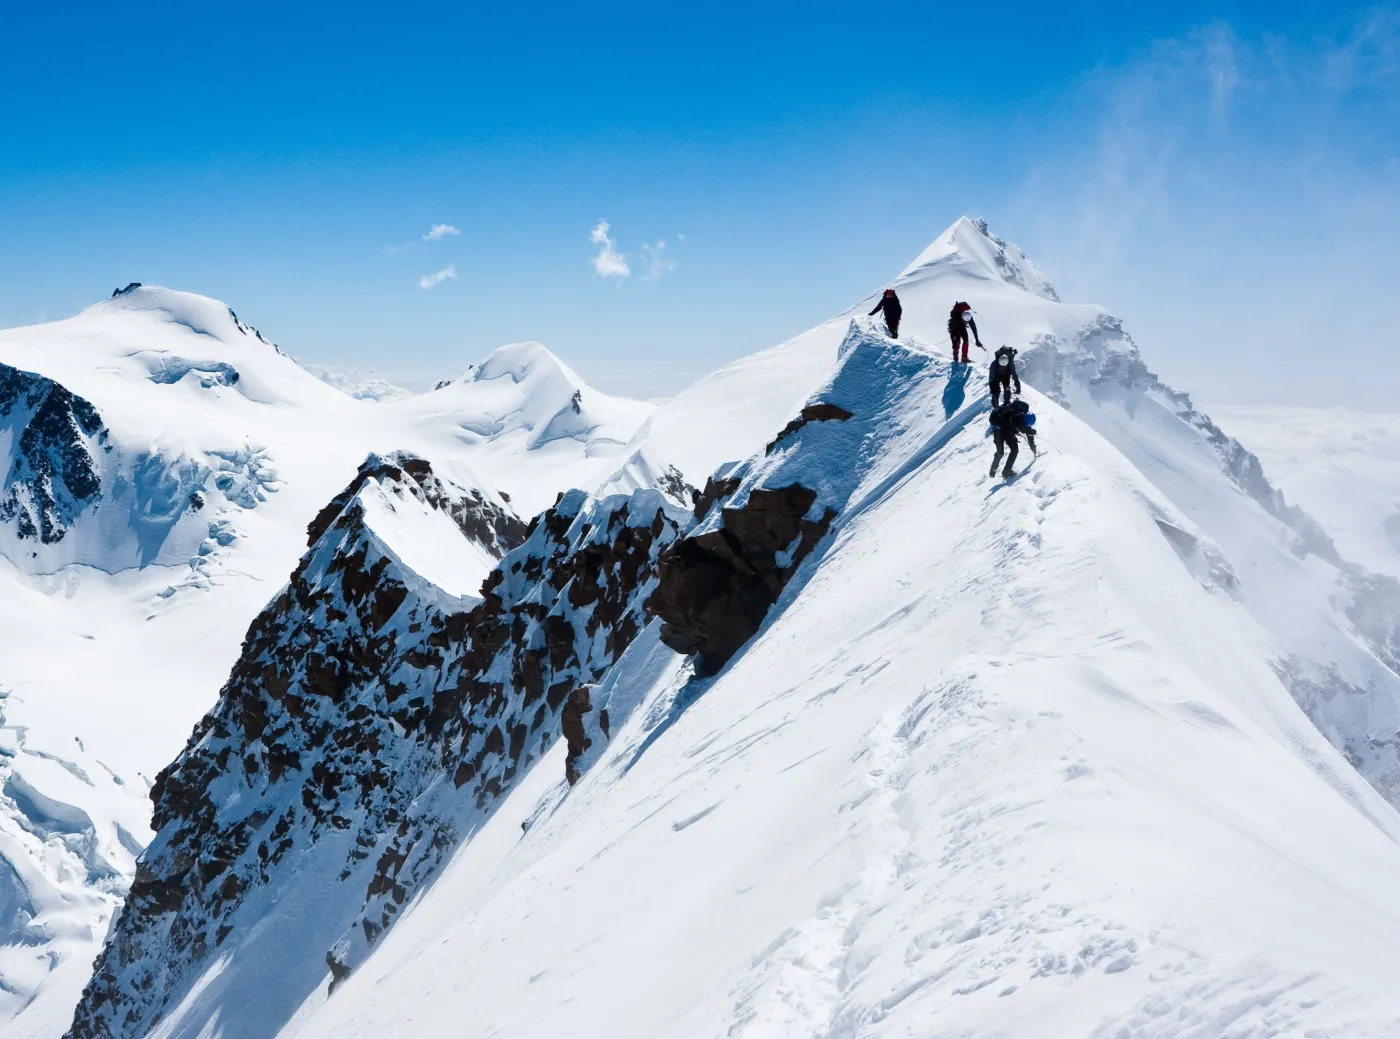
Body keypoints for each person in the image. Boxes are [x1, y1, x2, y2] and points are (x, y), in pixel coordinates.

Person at [988, 399, 1037, 478]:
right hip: (1005, 432)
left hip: (998, 432)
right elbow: (1025, 430)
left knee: (1000, 452)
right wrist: (1034, 449)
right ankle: (1006, 471)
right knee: (1014, 450)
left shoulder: (1014, 412)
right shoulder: (1019, 417)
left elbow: (1024, 429)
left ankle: (993, 470)